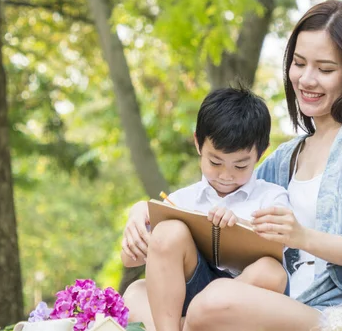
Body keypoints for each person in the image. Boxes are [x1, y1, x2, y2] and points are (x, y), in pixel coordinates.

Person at [123, 0, 342, 331]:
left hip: (333, 308)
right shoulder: (283, 159)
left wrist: (301, 236)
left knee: (214, 300)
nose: (306, 79)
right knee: (136, 294)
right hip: (274, 303)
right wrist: (144, 213)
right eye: (299, 63)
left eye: (325, 69)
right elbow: (220, 211)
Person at [120, 86, 292, 331]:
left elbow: (282, 245)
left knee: (271, 272)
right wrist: (138, 216)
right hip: (193, 289)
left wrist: (240, 226)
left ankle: (193, 323)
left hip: (244, 294)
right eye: (215, 162)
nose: (225, 175)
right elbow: (130, 259)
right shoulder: (181, 201)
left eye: (240, 166)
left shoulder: (271, 196)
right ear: (198, 143)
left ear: (260, 154)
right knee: (137, 289)